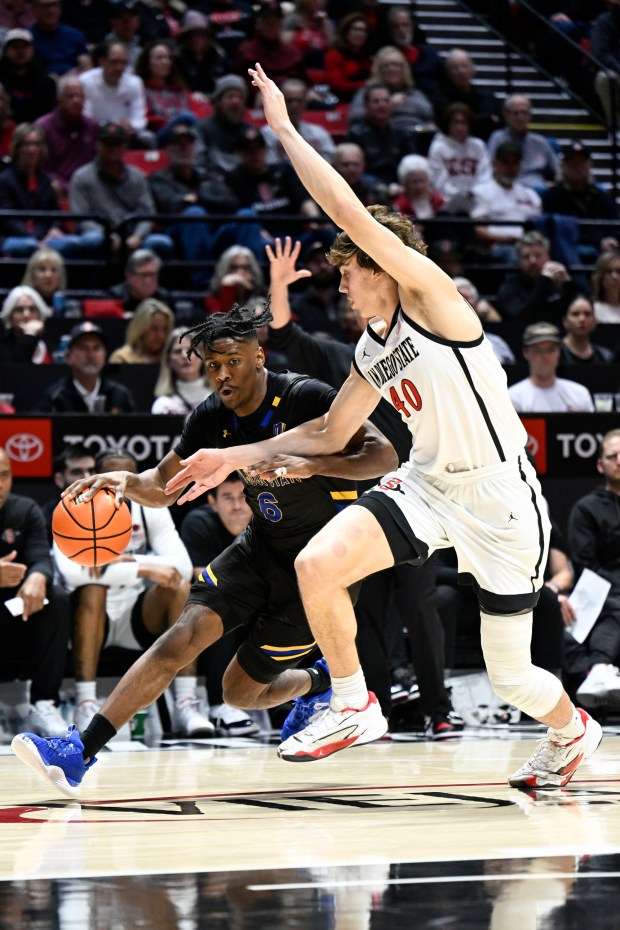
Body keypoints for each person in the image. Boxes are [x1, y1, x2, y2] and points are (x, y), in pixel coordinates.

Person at [155, 63, 602, 787]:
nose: (340, 283)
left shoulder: (434, 300)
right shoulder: (371, 347)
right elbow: (331, 434)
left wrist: (285, 129)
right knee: (317, 564)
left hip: (500, 501)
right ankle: (353, 702)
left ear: (384, 267)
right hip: (427, 486)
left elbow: (349, 211)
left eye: (349, 270)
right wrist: (233, 457)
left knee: (513, 675)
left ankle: (573, 729)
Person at [12, 300, 396, 796]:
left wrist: (315, 465)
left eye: (233, 361)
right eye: (213, 365)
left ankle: (319, 682)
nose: (222, 374)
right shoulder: (212, 415)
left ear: (259, 356)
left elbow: (384, 455)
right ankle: (79, 752)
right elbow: (160, 485)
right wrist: (122, 482)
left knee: (239, 693)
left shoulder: (305, 397)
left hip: (318, 571)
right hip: (260, 547)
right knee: (181, 636)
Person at [52, 447, 214, 737]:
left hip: (135, 613)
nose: (120, 481)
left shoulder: (150, 506)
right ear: (97, 476)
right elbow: (71, 573)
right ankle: (86, 703)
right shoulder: (76, 505)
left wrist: (124, 561)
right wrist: (145, 568)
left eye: (128, 474)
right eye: (112, 474)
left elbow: (181, 567)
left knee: (179, 587)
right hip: (90, 617)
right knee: (92, 588)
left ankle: (185, 703)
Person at [179, 472, 260, 736]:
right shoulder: (198, 523)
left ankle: (298, 700)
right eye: (227, 498)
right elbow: (203, 578)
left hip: (259, 604)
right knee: (220, 601)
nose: (237, 505)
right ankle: (220, 705)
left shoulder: (268, 522)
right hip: (214, 610)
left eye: (242, 497)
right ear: (213, 502)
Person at [0, 445, 70, 738]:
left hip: (16, 612)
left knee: (56, 597)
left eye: (4, 475)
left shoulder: (26, 509)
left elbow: (41, 555)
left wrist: (38, 576)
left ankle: (44, 704)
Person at [566, 429, 620, 707]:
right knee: (613, 604)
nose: (619, 461)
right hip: (601, 590)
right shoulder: (587, 508)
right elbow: (585, 565)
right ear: (601, 465)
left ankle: (599, 668)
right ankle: (600, 669)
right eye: (612, 456)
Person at [69, 122, 174, 259]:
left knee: (161, 243)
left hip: (132, 236)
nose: (112, 148)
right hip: (99, 234)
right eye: (107, 143)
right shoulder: (81, 177)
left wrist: (137, 236)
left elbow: (147, 213)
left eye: (117, 144)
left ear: (125, 146)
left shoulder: (136, 176)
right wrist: (109, 236)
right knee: (93, 240)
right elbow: (82, 218)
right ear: (98, 145)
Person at [541, 143, 619, 265]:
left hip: (603, 249)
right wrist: (598, 241)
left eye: (581, 162)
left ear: (589, 166)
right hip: (568, 248)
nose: (577, 167)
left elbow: (615, 223)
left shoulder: (601, 196)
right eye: (572, 163)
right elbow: (555, 230)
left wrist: (613, 239)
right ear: (563, 166)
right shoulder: (552, 197)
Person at [36, 321, 136, 413]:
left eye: (96, 348)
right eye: (83, 348)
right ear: (68, 356)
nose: (91, 355)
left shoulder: (119, 395)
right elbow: (39, 426)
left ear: (105, 355)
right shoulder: (55, 398)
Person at [470, 141, 542, 264]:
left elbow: (539, 225)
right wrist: (504, 239)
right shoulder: (482, 192)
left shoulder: (530, 195)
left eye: (514, 163)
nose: (510, 168)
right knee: (512, 254)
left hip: (528, 245)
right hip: (497, 246)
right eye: (505, 163)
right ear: (494, 164)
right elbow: (478, 229)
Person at [79, 40, 154, 150]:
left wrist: (132, 126)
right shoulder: (86, 81)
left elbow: (140, 119)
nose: (119, 68)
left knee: (147, 138)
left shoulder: (135, 83)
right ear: (102, 62)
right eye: (114, 62)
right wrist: (112, 127)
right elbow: (85, 117)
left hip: (126, 135)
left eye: (123, 63)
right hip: (97, 133)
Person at [494, 231, 578, 326]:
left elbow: (575, 313)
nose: (533, 261)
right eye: (526, 257)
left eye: (538, 255)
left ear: (548, 257)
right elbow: (520, 320)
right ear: (519, 261)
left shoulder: (558, 285)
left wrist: (568, 285)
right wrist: (543, 282)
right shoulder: (509, 289)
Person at [508, 321, 595, 413]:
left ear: (559, 352)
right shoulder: (513, 398)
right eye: (537, 350)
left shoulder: (579, 394)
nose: (545, 356)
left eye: (551, 350)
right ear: (525, 352)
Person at [36, 74, 99, 197]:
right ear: (59, 99)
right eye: (71, 96)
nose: (77, 100)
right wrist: (63, 185)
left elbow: (98, 163)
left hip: (87, 190)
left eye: (80, 96)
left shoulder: (93, 126)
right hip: (54, 189)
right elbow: (39, 167)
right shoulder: (43, 127)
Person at [346, 83, 416, 186]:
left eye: (386, 101)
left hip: (400, 185)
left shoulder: (401, 133)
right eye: (376, 101)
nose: (382, 105)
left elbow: (411, 163)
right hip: (367, 187)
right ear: (366, 106)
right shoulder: (356, 134)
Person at [427, 102, 491, 210]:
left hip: (477, 200)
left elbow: (485, 176)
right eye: (455, 123)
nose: (459, 127)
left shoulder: (478, 145)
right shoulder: (438, 147)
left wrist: (474, 194)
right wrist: (459, 196)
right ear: (448, 124)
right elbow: (439, 182)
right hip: (447, 202)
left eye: (463, 123)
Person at [487, 94, 559, 190]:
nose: (520, 117)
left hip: (537, 188)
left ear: (530, 116)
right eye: (516, 113)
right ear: (506, 115)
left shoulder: (540, 142)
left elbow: (558, 170)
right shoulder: (497, 138)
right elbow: (489, 169)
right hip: (507, 186)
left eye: (524, 113)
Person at [261, 78, 334, 165]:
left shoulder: (318, 133)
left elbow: (330, 161)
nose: (294, 105)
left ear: (305, 103)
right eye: (289, 100)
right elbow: (268, 164)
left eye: (299, 101)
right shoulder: (267, 133)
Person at [197, 73, 255, 174]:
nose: (235, 102)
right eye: (230, 96)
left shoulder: (251, 132)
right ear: (218, 102)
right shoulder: (202, 130)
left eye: (240, 97)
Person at [151, 326, 214, 415]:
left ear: (202, 355)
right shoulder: (163, 405)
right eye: (178, 351)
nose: (184, 355)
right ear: (168, 360)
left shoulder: (222, 399)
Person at [40, 441, 95, 542]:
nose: (87, 478)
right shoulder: (45, 519)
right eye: (77, 472)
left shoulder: (113, 508)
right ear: (60, 479)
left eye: (91, 471)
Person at [0, 27, 57, 125]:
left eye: (24, 47)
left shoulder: (46, 84)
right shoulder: (1, 82)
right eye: (15, 47)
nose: (20, 52)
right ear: (6, 51)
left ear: (33, 50)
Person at [30, 0, 90, 77]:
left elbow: (86, 63)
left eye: (54, 5)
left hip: (73, 79)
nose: (50, 10)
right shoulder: (28, 38)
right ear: (35, 10)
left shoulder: (75, 34)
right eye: (45, 6)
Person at [108, 298, 174, 364]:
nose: (160, 335)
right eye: (154, 329)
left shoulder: (173, 358)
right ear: (140, 329)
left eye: (165, 329)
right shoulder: (121, 358)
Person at [107, 249, 172, 316]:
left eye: (152, 274)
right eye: (143, 275)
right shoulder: (113, 298)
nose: (148, 280)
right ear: (129, 276)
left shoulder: (166, 300)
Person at [0, 285, 51, 364]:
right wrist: (29, 334)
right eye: (19, 310)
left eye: (32, 309)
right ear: (10, 315)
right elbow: (17, 368)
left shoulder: (50, 346)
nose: (26, 314)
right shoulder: (2, 348)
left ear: (39, 314)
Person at [560, 294, 613, 366]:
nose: (582, 319)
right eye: (575, 314)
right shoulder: (556, 353)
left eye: (587, 314)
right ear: (565, 321)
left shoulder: (605, 357)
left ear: (594, 321)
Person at [21, 247, 68, 316]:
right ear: (32, 274)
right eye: (42, 269)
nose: (48, 275)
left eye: (54, 270)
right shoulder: (20, 304)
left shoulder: (70, 304)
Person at [591, 250, 620, 323]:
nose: (614, 276)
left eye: (619, 271)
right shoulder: (591, 310)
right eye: (609, 271)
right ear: (600, 277)